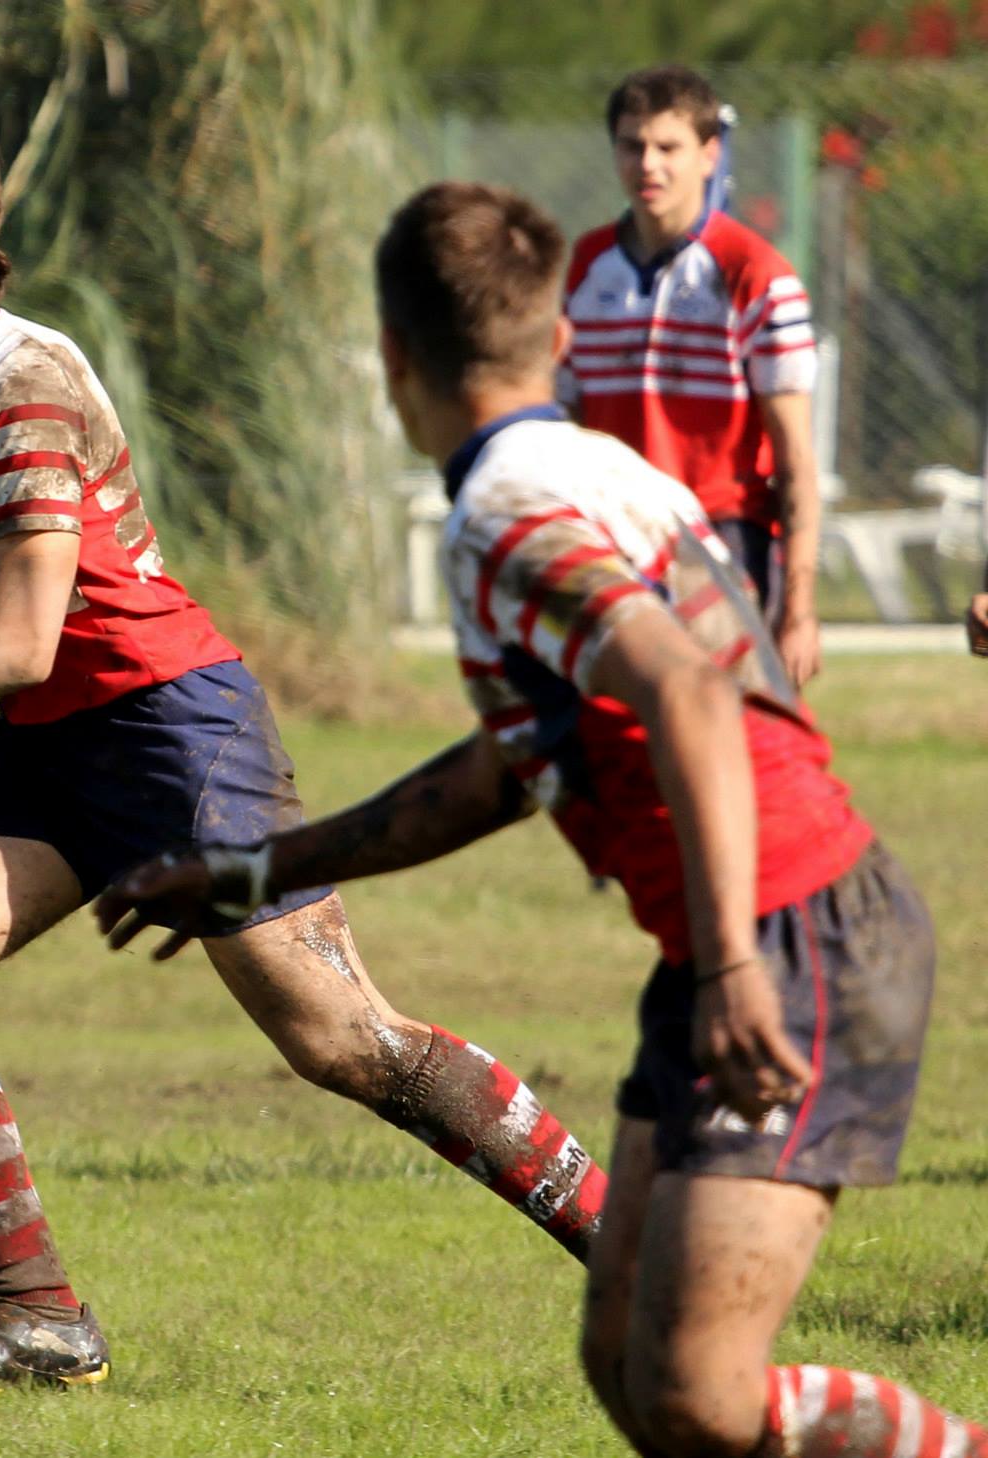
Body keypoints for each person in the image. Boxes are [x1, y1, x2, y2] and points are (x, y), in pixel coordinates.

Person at [0, 89, 607, 1391]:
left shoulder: (26, 385)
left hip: (177, 729)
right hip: (48, 746)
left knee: (345, 1041)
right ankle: (38, 1310)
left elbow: (17, 635)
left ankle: (621, 1238)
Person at [99, 180, 982, 1458]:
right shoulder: (580, 469)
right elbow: (499, 775)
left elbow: (686, 689)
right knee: (625, 1358)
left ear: (390, 355)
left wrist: (734, 964)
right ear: (560, 337)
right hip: (752, 938)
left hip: (792, 939)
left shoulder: (507, 511)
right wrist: (253, 872)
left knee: (696, 1391)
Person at [558, 64, 823, 686]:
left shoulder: (755, 273)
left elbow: (796, 461)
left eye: (668, 147)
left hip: (721, 539)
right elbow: (566, 424)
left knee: (729, 736)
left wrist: (800, 607)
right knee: (616, 737)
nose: (648, 164)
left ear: (709, 155)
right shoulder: (585, 265)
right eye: (632, 145)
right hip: (613, 537)